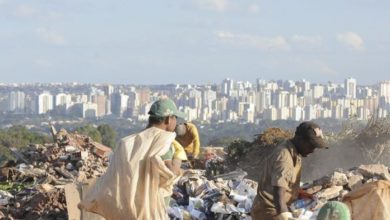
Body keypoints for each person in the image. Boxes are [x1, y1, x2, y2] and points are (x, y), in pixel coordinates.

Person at [78, 97, 186, 220]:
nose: (176, 122)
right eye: (175, 118)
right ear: (168, 119)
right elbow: (171, 172)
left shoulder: (127, 142)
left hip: (126, 211)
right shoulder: (162, 142)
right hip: (150, 211)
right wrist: (178, 155)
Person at [251, 121, 328, 220]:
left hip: (276, 208)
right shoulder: (285, 158)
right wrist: (285, 216)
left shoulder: (294, 151)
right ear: (300, 139)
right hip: (270, 213)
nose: (313, 150)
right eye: (311, 145)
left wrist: (299, 193)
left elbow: (285, 184)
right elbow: (278, 193)